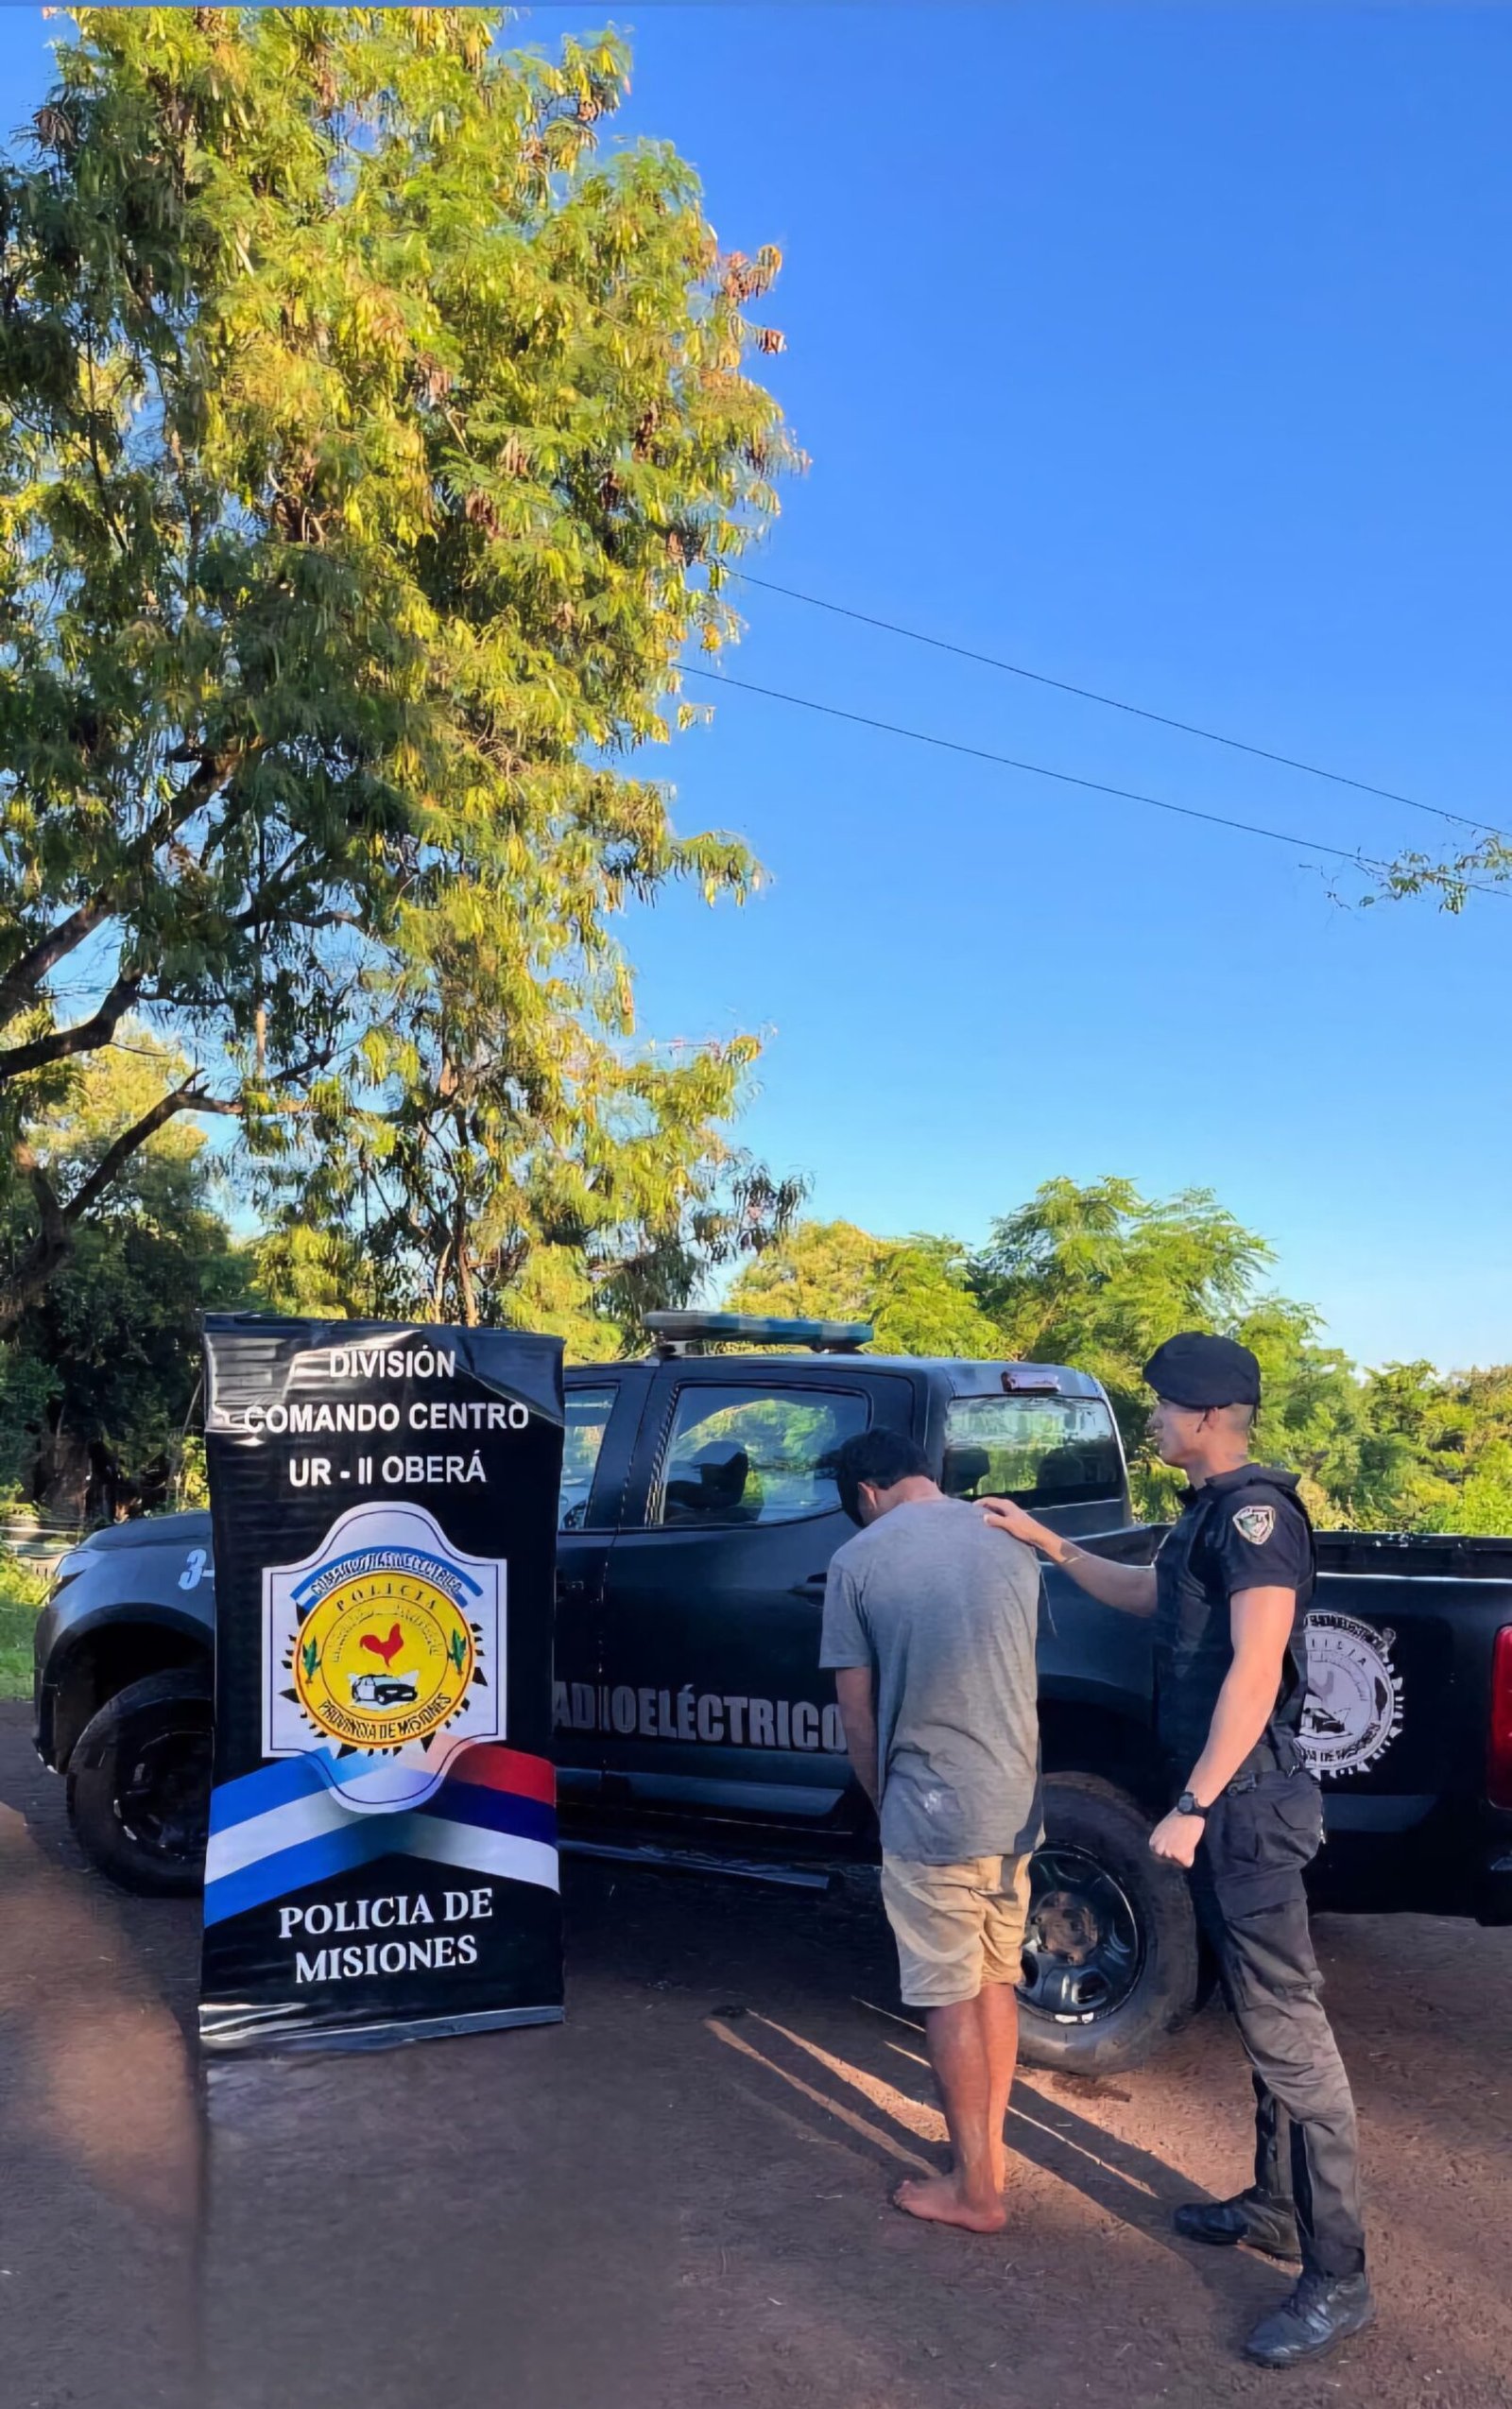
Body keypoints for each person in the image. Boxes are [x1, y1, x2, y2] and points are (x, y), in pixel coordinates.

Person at [981, 1333, 1373, 2370]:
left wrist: (1195, 1799)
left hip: (1247, 1806)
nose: (1148, 1418)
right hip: (1224, 1801)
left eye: (1158, 1405)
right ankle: (1274, 2206)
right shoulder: (1202, 1513)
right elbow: (1151, 1597)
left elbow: (1253, 1670)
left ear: (1204, 1416)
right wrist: (1045, 1542)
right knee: (1255, 2006)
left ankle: (1338, 2274)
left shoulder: (1255, 1518)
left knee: (1291, 2030)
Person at [820, 1427, 1041, 2233]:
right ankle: (987, 2154)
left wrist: (885, 1804)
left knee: (949, 1992)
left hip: (933, 1805)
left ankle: (977, 2192)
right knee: (994, 1977)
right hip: (1016, 1804)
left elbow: (857, 1713)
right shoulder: (1008, 1537)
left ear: (867, 1493)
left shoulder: (861, 1559)